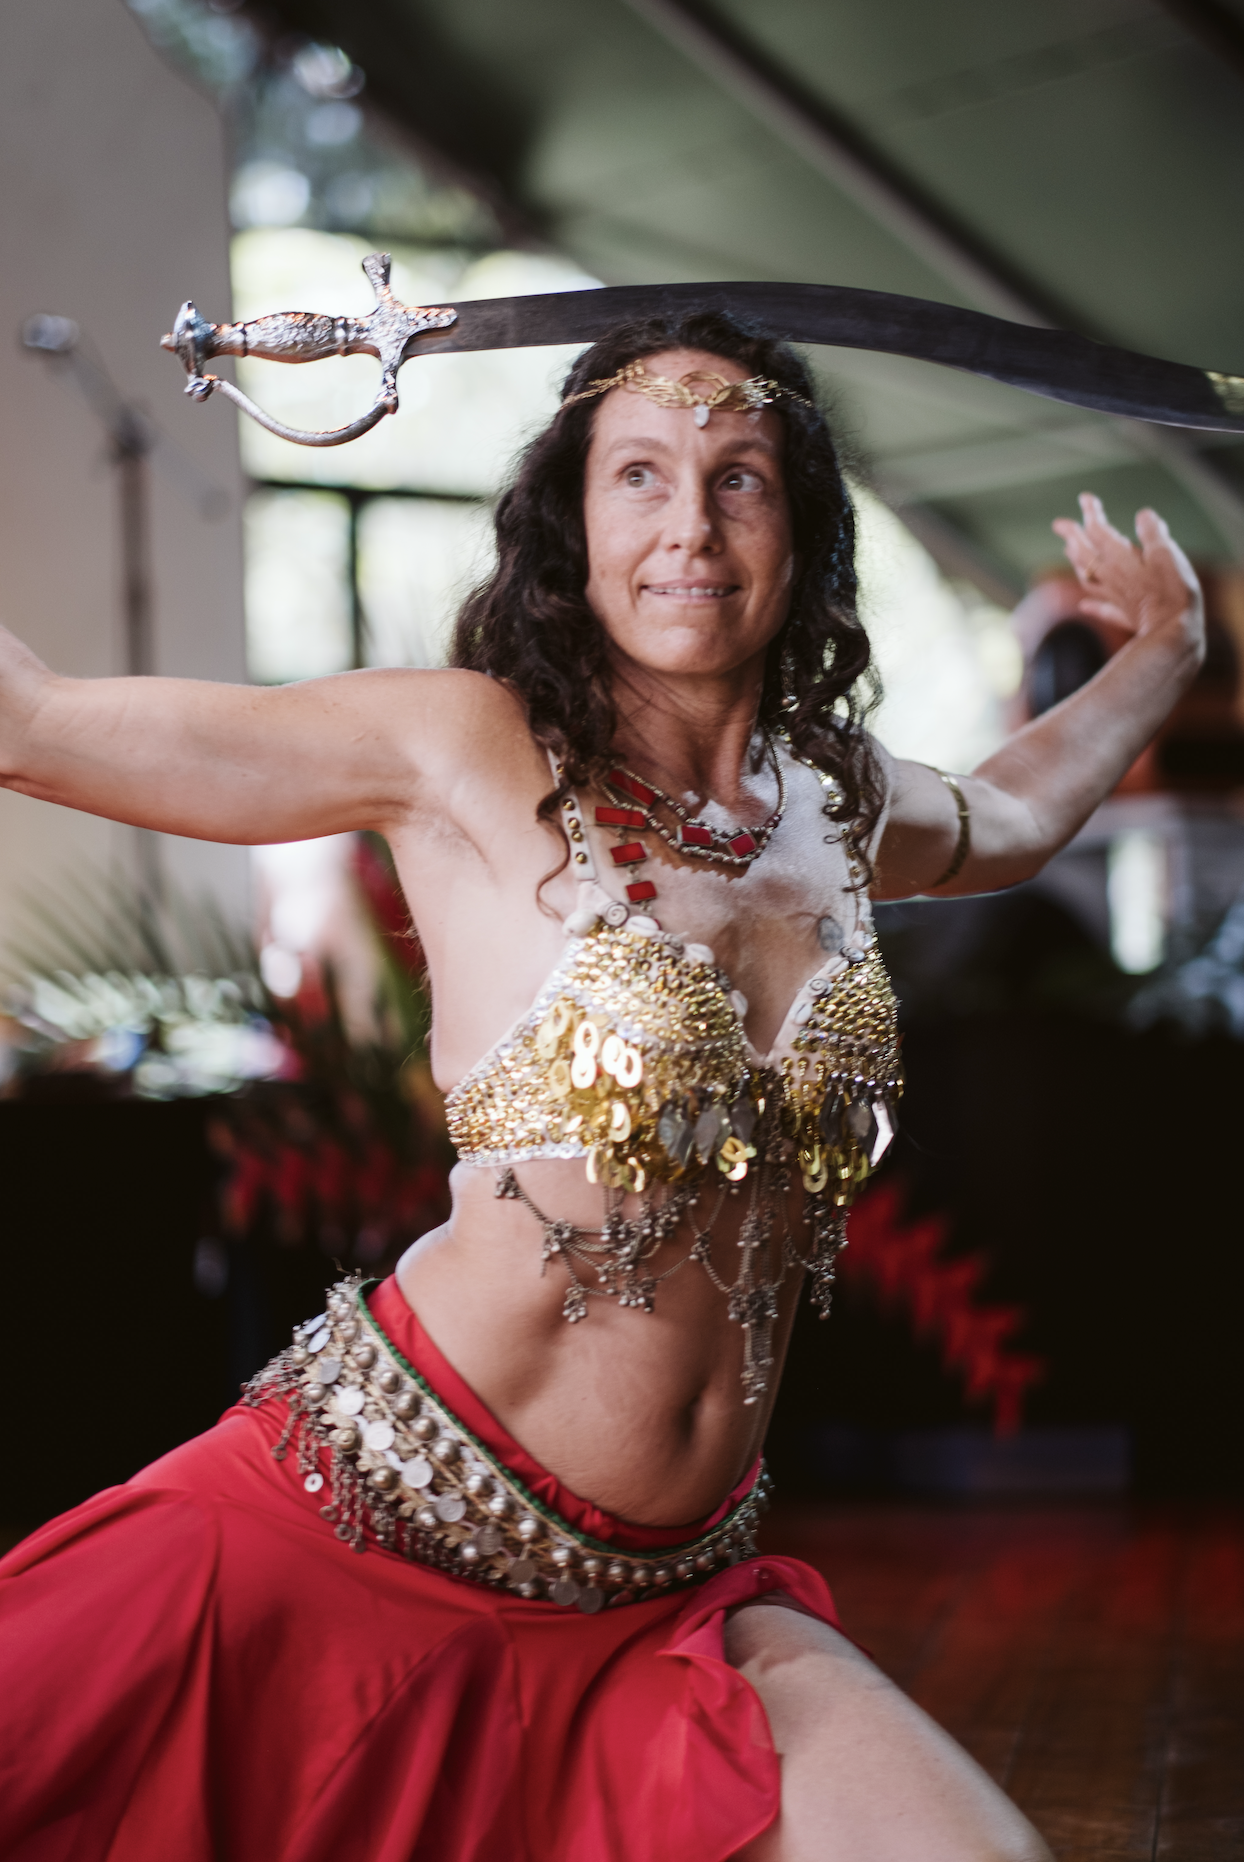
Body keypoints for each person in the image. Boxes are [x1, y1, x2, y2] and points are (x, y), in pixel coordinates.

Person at [0, 310, 1203, 1862]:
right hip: (364, 1530)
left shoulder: (829, 802)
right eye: (640, 475)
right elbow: (33, 728)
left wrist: (1168, 648)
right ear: (574, 521)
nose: (688, 527)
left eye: (740, 478)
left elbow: (1014, 814)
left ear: (804, 526)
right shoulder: (464, 748)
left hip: (666, 1599)